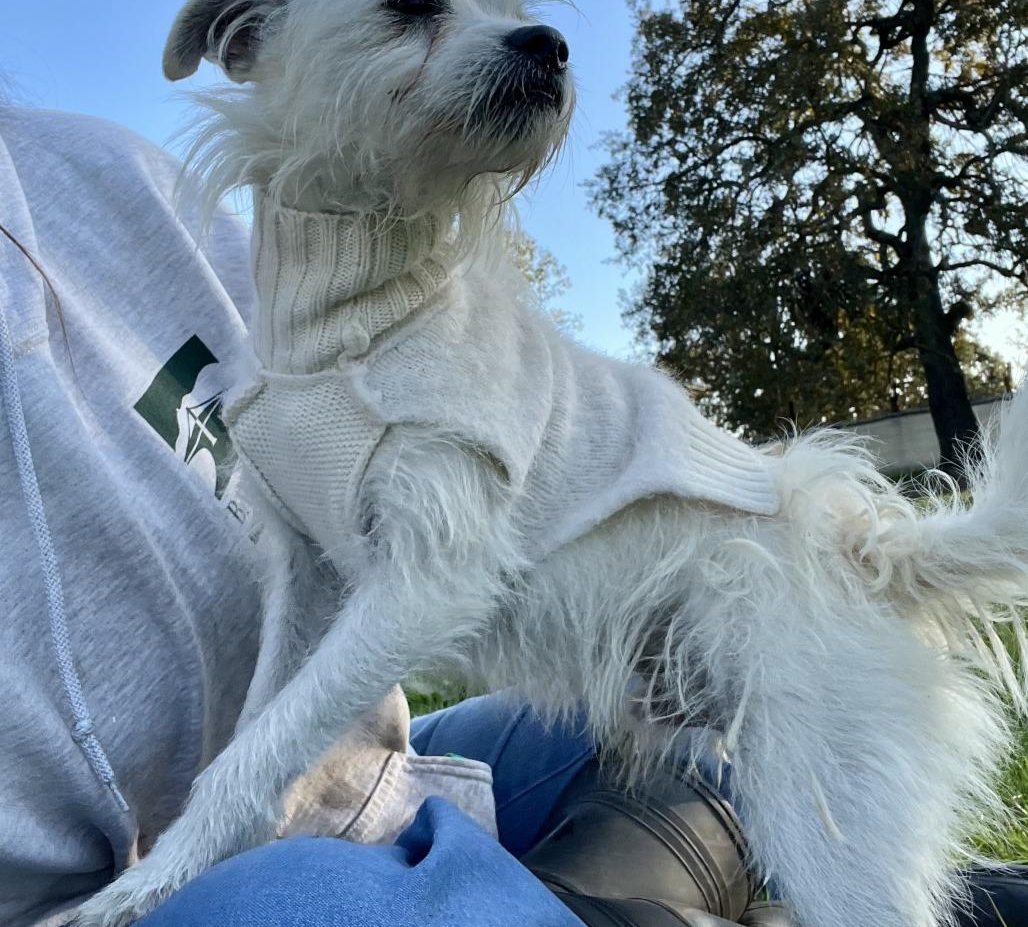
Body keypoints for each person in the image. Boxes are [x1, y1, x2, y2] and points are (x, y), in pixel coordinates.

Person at [1, 104, 1024, 927]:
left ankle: (757, 858)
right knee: (291, 903)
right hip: (182, 877)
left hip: (386, 756)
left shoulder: (109, 178)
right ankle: (652, 890)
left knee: (652, 748)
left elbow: (357, 517)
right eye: (411, 11)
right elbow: (412, 581)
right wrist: (227, 807)